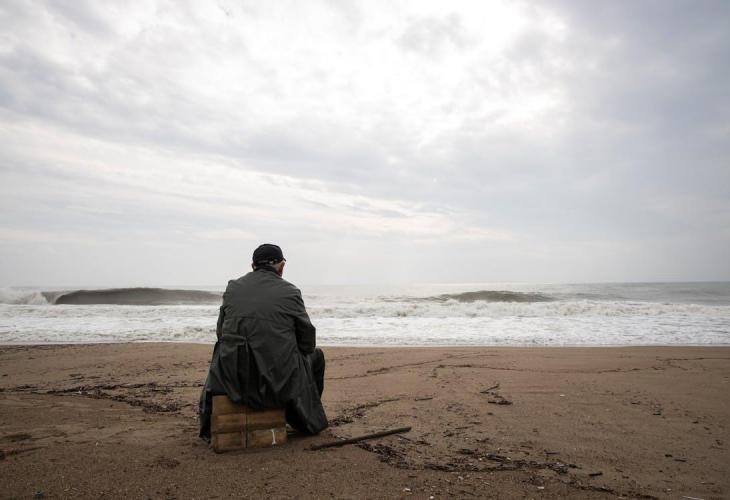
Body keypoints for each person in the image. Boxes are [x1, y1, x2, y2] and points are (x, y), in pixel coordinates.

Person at [199, 244, 328, 440]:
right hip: (277, 382)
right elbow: (307, 341)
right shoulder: (290, 292)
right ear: (281, 266)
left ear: (253, 266)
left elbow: (221, 333)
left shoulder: (233, 287)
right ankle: (303, 419)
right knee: (316, 356)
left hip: (232, 380)